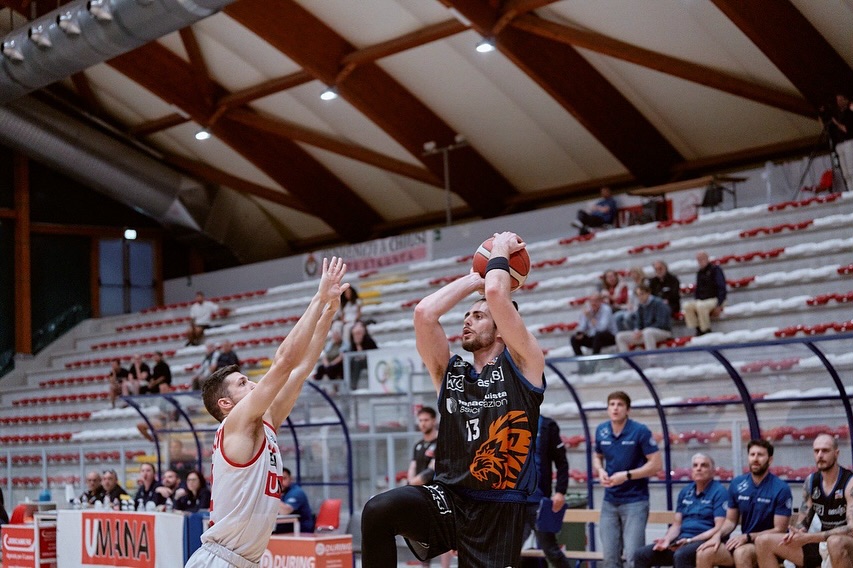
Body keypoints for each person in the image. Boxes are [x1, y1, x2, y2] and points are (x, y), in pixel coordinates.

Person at [362, 231, 546, 567]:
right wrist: (473, 278)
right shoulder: (451, 372)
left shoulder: (524, 364)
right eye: (467, 316)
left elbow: (496, 293)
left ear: (502, 329)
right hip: (449, 497)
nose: (467, 320)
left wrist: (500, 251)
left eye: (479, 316)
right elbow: (424, 314)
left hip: (499, 506)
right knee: (378, 510)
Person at [185, 257, 346, 568]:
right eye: (244, 383)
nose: (254, 384)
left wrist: (328, 314)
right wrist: (318, 298)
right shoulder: (236, 423)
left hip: (247, 560)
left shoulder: (266, 422)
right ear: (226, 405)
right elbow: (284, 361)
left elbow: (299, 371)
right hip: (219, 560)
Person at [755, 433, 853, 568]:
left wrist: (809, 538)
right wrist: (797, 533)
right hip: (821, 543)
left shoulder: (849, 482)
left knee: (835, 542)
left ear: (836, 453)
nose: (820, 455)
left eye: (825, 450)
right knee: (763, 541)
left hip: (846, 544)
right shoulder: (811, 481)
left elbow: (851, 528)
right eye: (816, 451)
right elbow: (803, 522)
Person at [695, 439, 792, 568]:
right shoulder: (737, 484)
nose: (755, 459)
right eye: (752, 455)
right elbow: (730, 521)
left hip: (768, 545)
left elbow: (779, 529)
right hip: (744, 541)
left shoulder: (781, 488)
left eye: (760, 455)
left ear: (770, 460)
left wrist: (747, 537)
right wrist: (717, 536)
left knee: (741, 553)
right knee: (704, 552)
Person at [593, 391, 663, 568]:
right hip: (609, 501)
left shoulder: (640, 431)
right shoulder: (601, 430)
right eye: (612, 404)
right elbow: (597, 456)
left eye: (620, 404)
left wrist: (627, 475)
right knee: (609, 557)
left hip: (635, 501)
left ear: (627, 409)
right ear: (608, 409)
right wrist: (600, 470)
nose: (615, 408)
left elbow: (656, 465)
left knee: (634, 556)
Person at [633, 453, 727, 568]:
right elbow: (677, 525)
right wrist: (666, 540)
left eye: (704, 465)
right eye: (695, 465)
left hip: (705, 541)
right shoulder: (685, 492)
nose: (698, 468)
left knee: (681, 555)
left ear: (713, 471)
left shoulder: (719, 492)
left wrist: (690, 540)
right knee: (641, 554)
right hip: (682, 541)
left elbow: (719, 528)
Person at [522, 415, 571, 568]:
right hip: (514, 502)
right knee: (507, 550)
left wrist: (560, 491)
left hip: (538, 502)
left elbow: (562, 462)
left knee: (551, 551)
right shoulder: (506, 421)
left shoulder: (547, 425)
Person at [615, 284, 672, 352]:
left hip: (663, 332)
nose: (640, 297)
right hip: (645, 332)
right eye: (638, 295)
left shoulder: (659, 303)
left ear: (648, 293)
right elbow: (638, 322)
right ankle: (626, 362)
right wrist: (637, 330)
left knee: (648, 332)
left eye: (642, 294)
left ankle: (652, 360)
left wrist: (642, 331)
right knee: (620, 336)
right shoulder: (640, 306)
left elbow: (661, 323)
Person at [682, 251, 727, 336]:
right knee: (687, 306)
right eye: (698, 260)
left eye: (702, 259)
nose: (700, 261)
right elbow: (698, 290)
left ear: (707, 258)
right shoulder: (699, 273)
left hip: (714, 298)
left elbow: (722, 287)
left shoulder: (715, 269)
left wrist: (719, 304)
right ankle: (697, 327)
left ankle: (706, 329)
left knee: (701, 305)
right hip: (703, 300)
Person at [821, 92, 853, 192]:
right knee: (845, 173)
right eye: (837, 100)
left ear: (846, 100)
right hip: (839, 144)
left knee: (851, 170)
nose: (838, 102)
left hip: (848, 141)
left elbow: (846, 129)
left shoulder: (849, 113)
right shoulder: (837, 114)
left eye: (840, 100)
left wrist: (836, 123)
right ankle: (850, 190)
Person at [571, 291, 617, 358]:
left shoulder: (606, 310)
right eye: (591, 301)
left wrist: (590, 317)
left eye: (595, 301)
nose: (593, 303)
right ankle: (582, 364)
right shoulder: (588, 310)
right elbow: (582, 327)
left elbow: (602, 328)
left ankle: (593, 364)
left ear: (600, 301)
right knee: (574, 339)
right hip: (594, 337)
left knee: (598, 335)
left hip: (609, 337)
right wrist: (580, 333)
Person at [274, 468, 315, 534]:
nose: (281, 482)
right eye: (278, 479)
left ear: (291, 479)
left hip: (301, 531)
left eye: (284, 478)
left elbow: (285, 511)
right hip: (284, 529)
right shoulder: (279, 492)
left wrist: (271, 497)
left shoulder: (297, 492)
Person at [407, 406, 439, 486]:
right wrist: (410, 484)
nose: (423, 424)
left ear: (434, 421)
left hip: (432, 489)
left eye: (426, 420)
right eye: (420, 420)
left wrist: (412, 483)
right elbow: (413, 467)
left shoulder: (440, 443)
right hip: (417, 490)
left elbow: (432, 470)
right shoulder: (418, 445)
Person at [346, 319, 378, 390]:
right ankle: (349, 386)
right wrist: (357, 343)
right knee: (351, 363)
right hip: (359, 362)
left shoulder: (369, 341)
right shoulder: (353, 342)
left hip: (371, 362)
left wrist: (359, 344)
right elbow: (353, 355)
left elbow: (368, 355)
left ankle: (353, 386)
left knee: (357, 362)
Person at [615, 267, 648, 331]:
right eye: (631, 274)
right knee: (617, 317)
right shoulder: (633, 284)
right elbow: (630, 298)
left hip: (641, 307)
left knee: (627, 317)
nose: (632, 275)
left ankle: (635, 332)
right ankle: (624, 333)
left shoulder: (645, 283)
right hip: (633, 307)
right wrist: (629, 304)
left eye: (633, 273)